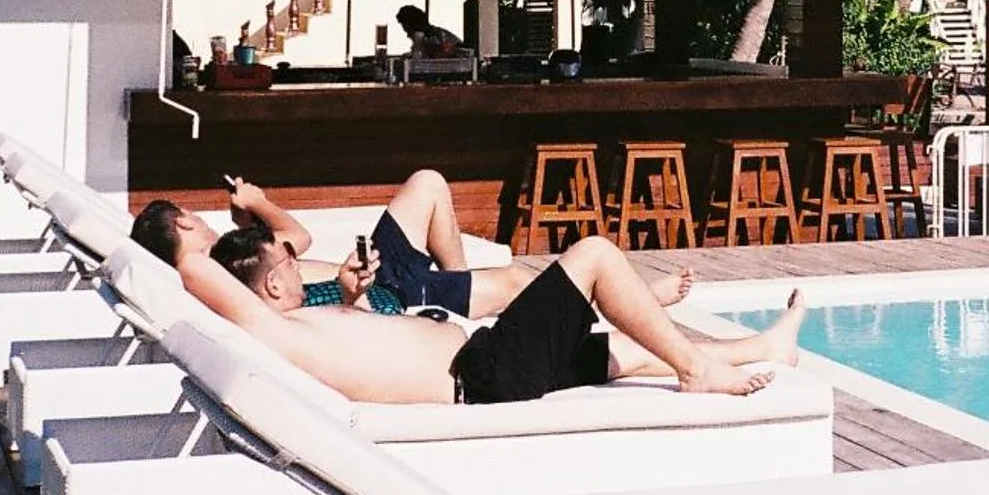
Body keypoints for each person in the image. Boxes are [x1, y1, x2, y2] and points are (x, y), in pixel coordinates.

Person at [192, 227, 802, 405]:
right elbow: (195, 269)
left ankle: (765, 348)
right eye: (290, 264)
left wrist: (350, 296)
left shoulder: (302, 323)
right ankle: (698, 370)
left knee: (626, 352)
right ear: (270, 282)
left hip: (486, 365)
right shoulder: (277, 331)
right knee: (592, 255)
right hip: (482, 375)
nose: (302, 266)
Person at [132, 169, 610, 321]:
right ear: (182, 223)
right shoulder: (217, 269)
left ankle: (455, 285)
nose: (200, 219)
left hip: (371, 276)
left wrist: (248, 217)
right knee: (516, 282)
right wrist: (259, 202)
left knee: (427, 183)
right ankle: (612, 301)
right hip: (385, 297)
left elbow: (291, 249)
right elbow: (298, 239)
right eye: (192, 216)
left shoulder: (219, 268)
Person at [396, 3, 462, 58]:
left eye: (404, 25)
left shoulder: (425, 36)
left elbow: (418, 58)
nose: (405, 30)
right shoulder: (434, 32)